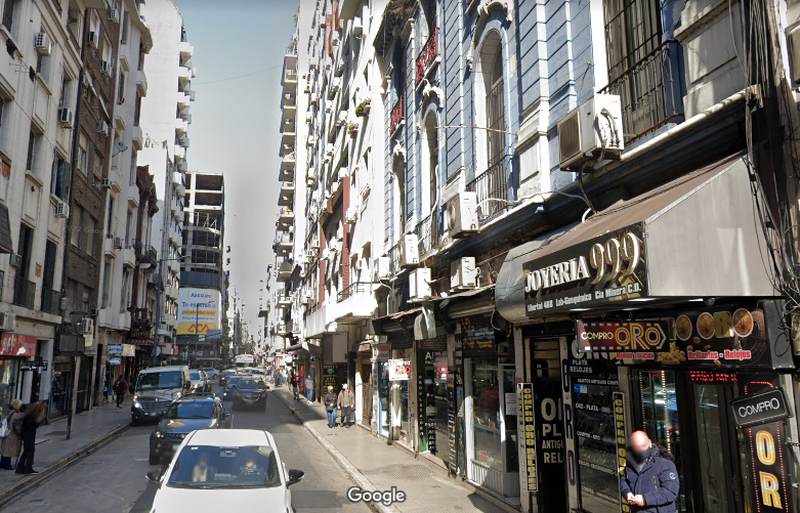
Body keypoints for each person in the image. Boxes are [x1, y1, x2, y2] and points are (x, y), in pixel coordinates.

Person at [620, 430, 679, 512]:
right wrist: (627, 492)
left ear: (649, 443)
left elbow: (670, 492)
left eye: (643, 446)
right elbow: (624, 480)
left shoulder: (664, 463)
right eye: (637, 448)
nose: (641, 450)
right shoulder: (631, 462)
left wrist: (645, 499)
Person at [16, 401, 46, 475]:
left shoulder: (29, 414)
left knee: (26, 451)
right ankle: (28, 468)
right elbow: (35, 424)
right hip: (29, 435)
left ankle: (20, 468)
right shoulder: (33, 416)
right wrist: (41, 416)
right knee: (30, 451)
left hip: (26, 435)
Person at [0, 401, 24, 470]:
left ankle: (2, 463)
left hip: (7, 434)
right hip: (12, 435)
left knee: (5, 450)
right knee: (9, 451)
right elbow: (16, 427)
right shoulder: (16, 415)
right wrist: (20, 433)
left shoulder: (11, 413)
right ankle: (7, 465)